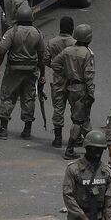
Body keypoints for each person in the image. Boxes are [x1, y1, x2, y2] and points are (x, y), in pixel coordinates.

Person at [0, 3, 46, 140]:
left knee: (8, 97)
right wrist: (43, 75)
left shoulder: (12, 32)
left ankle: (3, 129)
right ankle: (27, 130)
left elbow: (1, 52)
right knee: (29, 98)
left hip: (13, 71)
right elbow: (41, 56)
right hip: (31, 71)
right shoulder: (37, 33)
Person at [51, 23, 96, 160]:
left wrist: (67, 72)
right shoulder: (87, 53)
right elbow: (89, 76)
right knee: (78, 120)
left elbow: (54, 64)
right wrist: (91, 94)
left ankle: (90, 145)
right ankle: (70, 149)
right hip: (82, 89)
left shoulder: (67, 51)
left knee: (81, 117)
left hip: (71, 88)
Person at [45, 16, 76, 149]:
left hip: (58, 79)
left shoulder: (52, 42)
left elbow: (45, 60)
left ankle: (58, 138)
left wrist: (56, 68)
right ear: (72, 28)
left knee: (58, 109)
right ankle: (76, 137)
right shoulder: (76, 43)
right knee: (75, 109)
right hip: (73, 81)